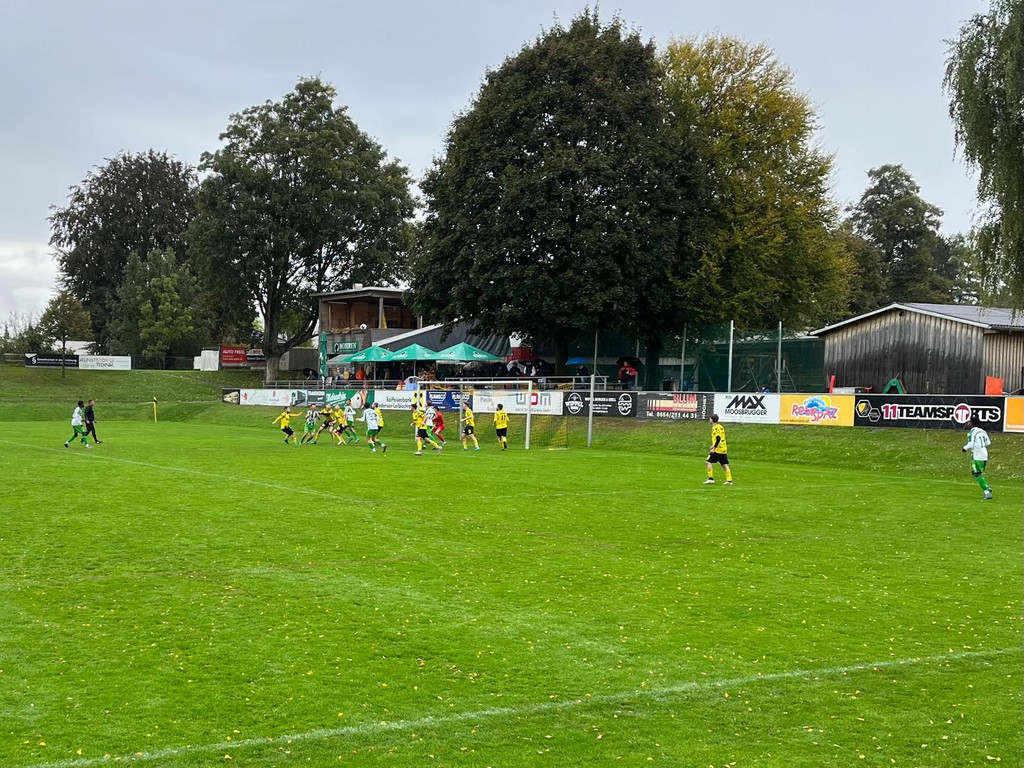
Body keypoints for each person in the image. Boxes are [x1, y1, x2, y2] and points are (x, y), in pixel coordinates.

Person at [962, 416, 993, 499]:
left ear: (972, 423)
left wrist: (964, 448)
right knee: (976, 473)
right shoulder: (983, 431)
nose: (968, 423)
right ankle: (986, 486)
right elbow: (988, 443)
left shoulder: (971, 432)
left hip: (977, 455)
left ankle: (987, 491)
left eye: (969, 421)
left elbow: (971, 444)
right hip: (984, 455)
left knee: (977, 474)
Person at [704, 414, 733, 485]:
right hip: (723, 448)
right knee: (724, 464)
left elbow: (718, 438)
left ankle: (710, 478)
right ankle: (729, 480)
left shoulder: (715, 428)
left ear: (712, 420)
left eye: (710, 419)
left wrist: (714, 448)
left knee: (708, 462)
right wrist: (714, 445)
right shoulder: (720, 426)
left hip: (718, 449)